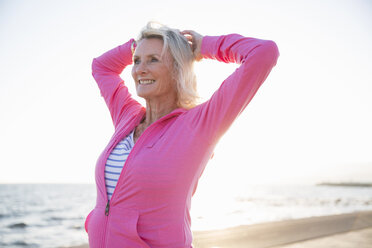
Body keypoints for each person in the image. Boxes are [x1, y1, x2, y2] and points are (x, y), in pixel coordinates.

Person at [84, 22, 279, 248]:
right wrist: (135, 46)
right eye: (137, 61)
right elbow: (101, 67)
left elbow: (264, 53)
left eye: (153, 60)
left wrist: (204, 45)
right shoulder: (126, 117)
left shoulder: (200, 124)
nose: (140, 69)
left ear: (177, 69)